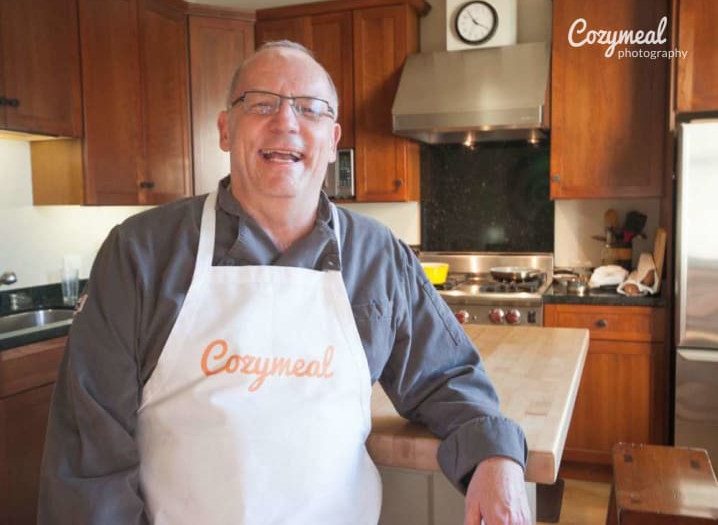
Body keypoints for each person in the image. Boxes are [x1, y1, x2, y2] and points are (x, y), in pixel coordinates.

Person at [38, 41, 531, 524]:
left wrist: (495, 457)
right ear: (225, 129)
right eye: (262, 103)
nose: (286, 122)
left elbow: (447, 377)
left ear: (333, 139)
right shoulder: (140, 253)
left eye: (310, 109)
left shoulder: (377, 255)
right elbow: (89, 457)